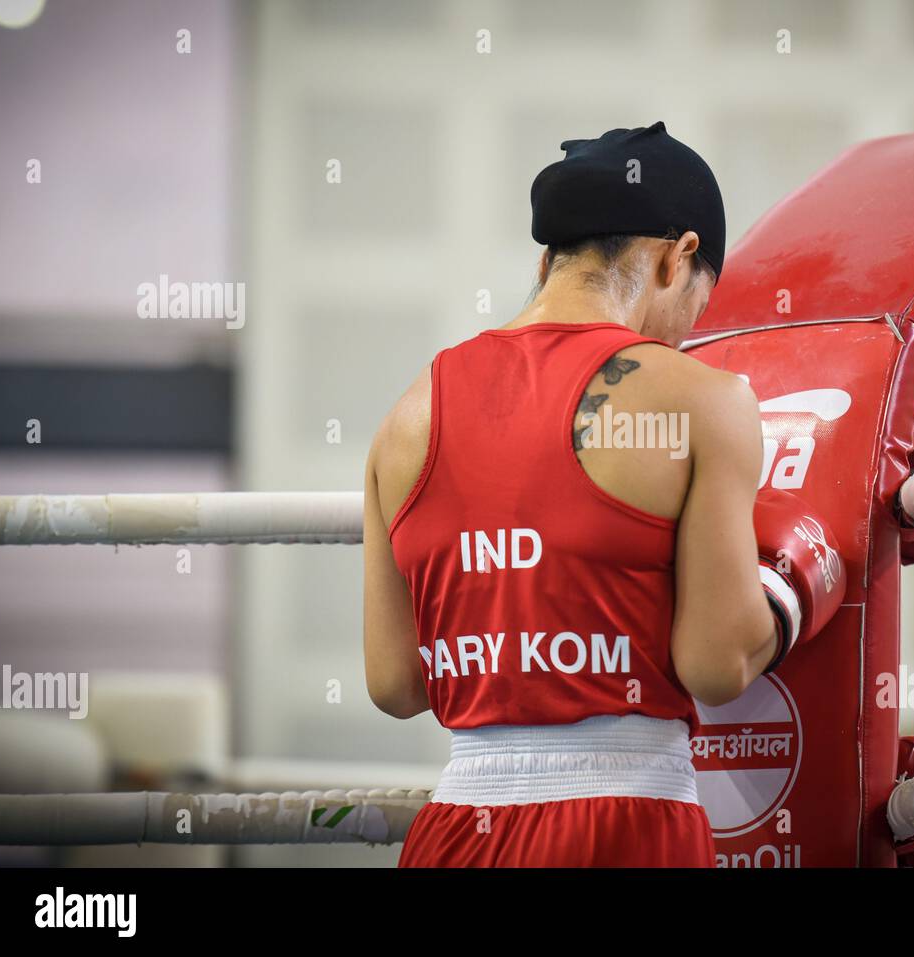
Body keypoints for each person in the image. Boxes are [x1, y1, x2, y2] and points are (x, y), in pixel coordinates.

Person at [362, 122, 846, 867]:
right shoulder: (704, 401)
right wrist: (791, 589)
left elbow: (395, 682)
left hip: (458, 827)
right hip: (625, 823)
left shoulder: (404, 414)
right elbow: (716, 665)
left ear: (547, 257)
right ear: (676, 257)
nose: (688, 332)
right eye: (700, 300)